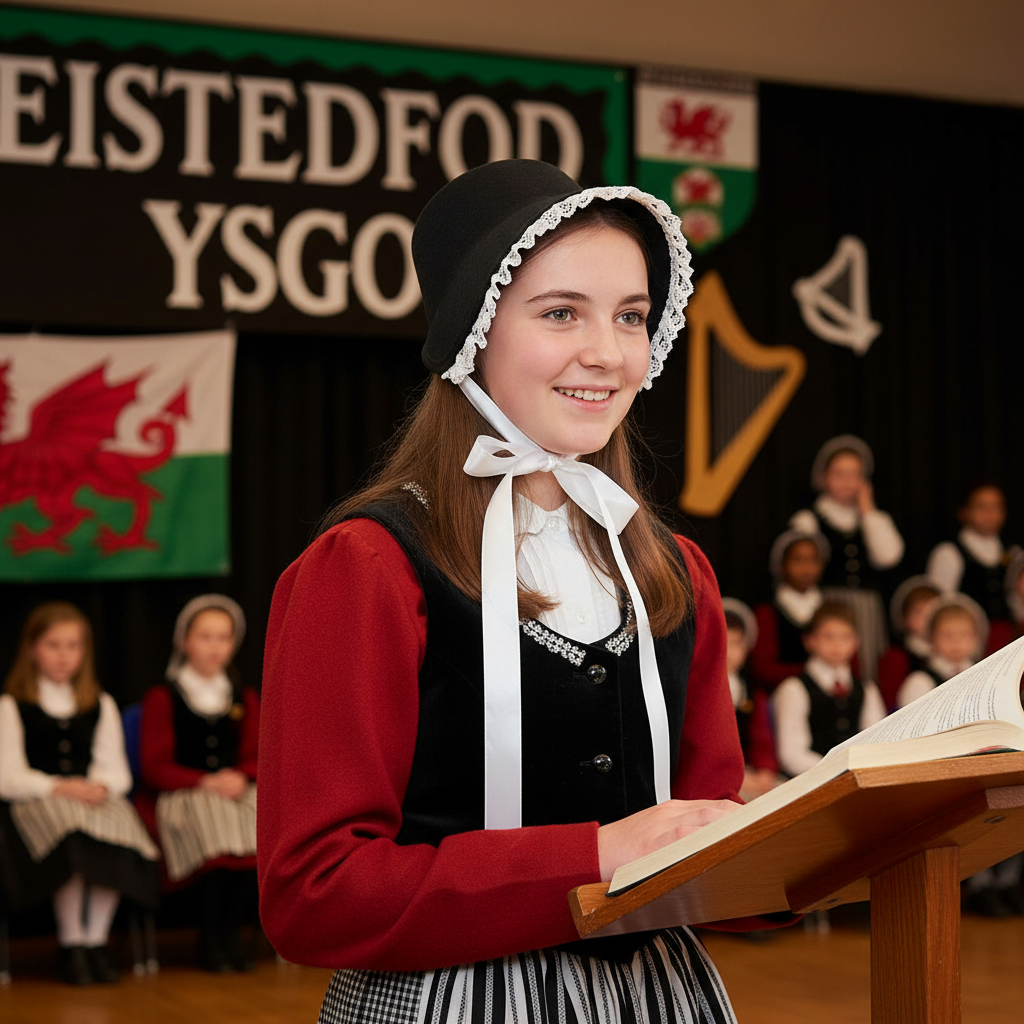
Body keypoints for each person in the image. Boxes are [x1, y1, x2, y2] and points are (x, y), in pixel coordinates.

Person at [259, 159, 790, 1024]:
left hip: (661, 999)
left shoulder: (673, 570)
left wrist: (840, 836)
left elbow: (704, 828)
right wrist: (597, 853)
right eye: (560, 313)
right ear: (473, 334)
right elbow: (313, 894)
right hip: (447, 1000)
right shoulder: (368, 567)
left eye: (630, 317)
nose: (607, 353)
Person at [0, 602, 159, 985]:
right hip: (38, 803)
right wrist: (59, 787)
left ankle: (95, 942)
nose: (63, 655)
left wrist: (98, 787)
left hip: (91, 799)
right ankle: (72, 944)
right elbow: (8, 776)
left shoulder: (99, 703)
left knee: (118, 835)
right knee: (74, 838)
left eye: (73, 645)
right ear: (31, 649)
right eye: (53, 645)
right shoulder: (12, 705)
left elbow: (116, 771)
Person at [136, 594, 258, 972]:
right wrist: (204, 781)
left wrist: (241, 777)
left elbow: (258, 754)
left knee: (258, 828)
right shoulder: (164, 697)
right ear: (185, 641)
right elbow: (155, 766)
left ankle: (231, 933)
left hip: (234, 789)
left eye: (223, 637)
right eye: (205, 636)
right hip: (186, 792)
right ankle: (210, 938)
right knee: (215, 832)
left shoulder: (243, 696)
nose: (214, 646)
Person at [789, 435, 904, 684]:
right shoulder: (810, 519)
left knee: (868, 667)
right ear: (824, 476)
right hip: (829, 604)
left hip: (867, 608)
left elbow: (889, 557)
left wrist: (868, 510)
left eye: (854, 474)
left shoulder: (872, 518)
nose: (847, 482)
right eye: (839, 474)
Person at [771, 602, 887, 778]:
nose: (837, 645)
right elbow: (791, 754)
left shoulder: (866, 689)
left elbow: (878, 741)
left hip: (858, 778)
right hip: (808, 781)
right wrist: (834, 771)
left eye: (845, 637)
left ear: (856, 642)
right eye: (828, 637)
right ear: (810, 641)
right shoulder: (794, 689)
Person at [926, 485, 1015, 631]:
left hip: (1009, 641)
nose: (990, 513)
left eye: (996, 506)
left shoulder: (1013, 552)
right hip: (964, 640)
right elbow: (939, 606)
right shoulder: (950, 552)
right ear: (963, 512)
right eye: (981, 506)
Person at [748, 530, 828, 692]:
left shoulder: (830, 610)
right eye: (798, 559)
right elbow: (762, 670)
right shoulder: (767, 613)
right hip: (780, 695)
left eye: (813, 559)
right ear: (782, 565)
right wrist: (811, 672)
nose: (807, 567)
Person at [722, 598, 781, 802]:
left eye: (736, 644)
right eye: (723, 643)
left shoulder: (753, 694)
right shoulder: (698, 693)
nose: (729, 652)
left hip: (752, 773)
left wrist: (765, 771)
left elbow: (762, 740)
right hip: (720, 776)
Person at [894, 594, 987, 709]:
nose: (956, 642)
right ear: (932, 638)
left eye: (964, 635)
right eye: (947, 635)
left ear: (976, 638)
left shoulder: (984, 675)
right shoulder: (921, 681)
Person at [876, 576, 941, 711]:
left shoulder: (948, 652)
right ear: (904, 618)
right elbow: (890, 705)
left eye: (933, 610)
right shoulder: (896, 657)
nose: (927, 617)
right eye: (918, 612)